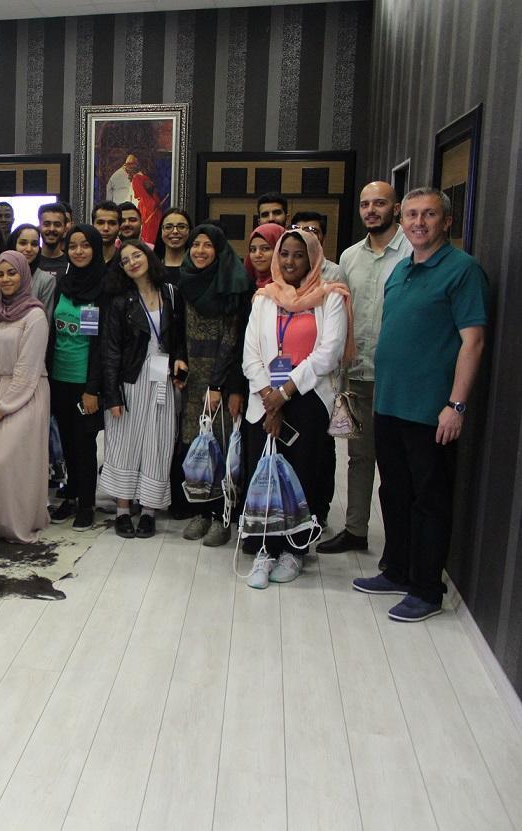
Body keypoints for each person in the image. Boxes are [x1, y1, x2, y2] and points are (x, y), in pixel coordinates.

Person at [351, 188, 487, 622]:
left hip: (431, 411)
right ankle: (397, 569)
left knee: (430, 499)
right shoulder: (402, 270)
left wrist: (456, 405)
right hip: (390, 403)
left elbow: (473, 341)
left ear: (446, 221)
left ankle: (427, 589)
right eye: (411, 215)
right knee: (393, 492)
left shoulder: (462, 270)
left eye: (428, 214)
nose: (418, 222)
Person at [241, 229, 349, 588]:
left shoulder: (330, 298)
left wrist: (285, 392)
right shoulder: (263, 298)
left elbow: (328, 353)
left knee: (302, 476)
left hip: (307, 400)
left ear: (313, 259)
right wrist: (269, 396)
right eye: (284, 254)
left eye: (298, 255)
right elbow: (251, 354)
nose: (289, 261)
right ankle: (264, 549)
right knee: (265, 476)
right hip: (263, 400)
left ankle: (294, 550)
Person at [320, 182, 412, 555]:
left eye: (380, 203)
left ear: (396, 208)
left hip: (398, 378)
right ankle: (356, 530)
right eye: (365, 204)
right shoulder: (349, 257)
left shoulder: (411, 251)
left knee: (396, 463)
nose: (371, 210)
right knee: (359, 458)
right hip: (357, 374)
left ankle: (399, 544)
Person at [98, 240, 188, 538]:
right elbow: (110, 350)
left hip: (162, 377)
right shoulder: (119, 301)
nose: (132, 262)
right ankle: (123, 511)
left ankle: (149, 511)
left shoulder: (170, 293)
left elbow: (178, 337)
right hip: (130, 378)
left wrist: (179, 360)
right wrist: (112, 395)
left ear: (148, 257)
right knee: (123, 444)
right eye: (125, 260)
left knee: (158, 444)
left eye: (136, 255)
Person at [176, 223, 252, 546]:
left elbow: (233, 341)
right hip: (192, 380)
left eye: (207, 245)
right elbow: (177, 328)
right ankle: (201, 511)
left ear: (219, 249)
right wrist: (179, 360)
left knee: (222, 448)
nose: (200, 251)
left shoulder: (234, 283)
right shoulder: (185, 281)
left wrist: (219, 385)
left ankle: (224, 516)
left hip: (220, 380)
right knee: (196, 446)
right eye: (196, 244)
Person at [0, 250, 51, 543]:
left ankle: (17, 522)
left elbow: (27, 371)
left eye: (12, 273)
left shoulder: (35, 315)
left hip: (24, 397)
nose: (5, 279)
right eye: (0, 274)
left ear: (24, 275)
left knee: (9, 461)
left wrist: (0, 409)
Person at [47, 224, 108, 531]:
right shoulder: (63, 284)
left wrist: (93, 388)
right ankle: (69, 496)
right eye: (73, 246)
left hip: (85, 382)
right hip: (58, 379)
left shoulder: (103, 288)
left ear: (95, 249)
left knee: (85, 444)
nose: (79, 251)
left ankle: (86, 503)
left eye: (85, 245)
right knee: (67, 442)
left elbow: (100, 344)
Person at [35, 203, 70, 310]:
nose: (51, 229)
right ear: (39, 227)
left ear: (65, 228)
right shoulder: (30, 261)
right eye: (46, 224)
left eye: (57, 225)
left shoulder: (71, 263)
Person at [290, 210, 342, 281]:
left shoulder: (336, 274)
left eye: (311, 232)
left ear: (323, 238)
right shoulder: (284, 269)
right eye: (298, 232)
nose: (304, 236)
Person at [154, 208, 192, 284]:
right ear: (161, 231)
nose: (175, 231)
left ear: (189, 231)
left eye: (181, 227)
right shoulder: (150, 268)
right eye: (168, 227)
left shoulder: (197, 267)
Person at [245, 222, 285, 289]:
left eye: (265, 248)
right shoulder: (244, 286)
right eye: (253, 249)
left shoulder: (292, 288)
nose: (257, 255)